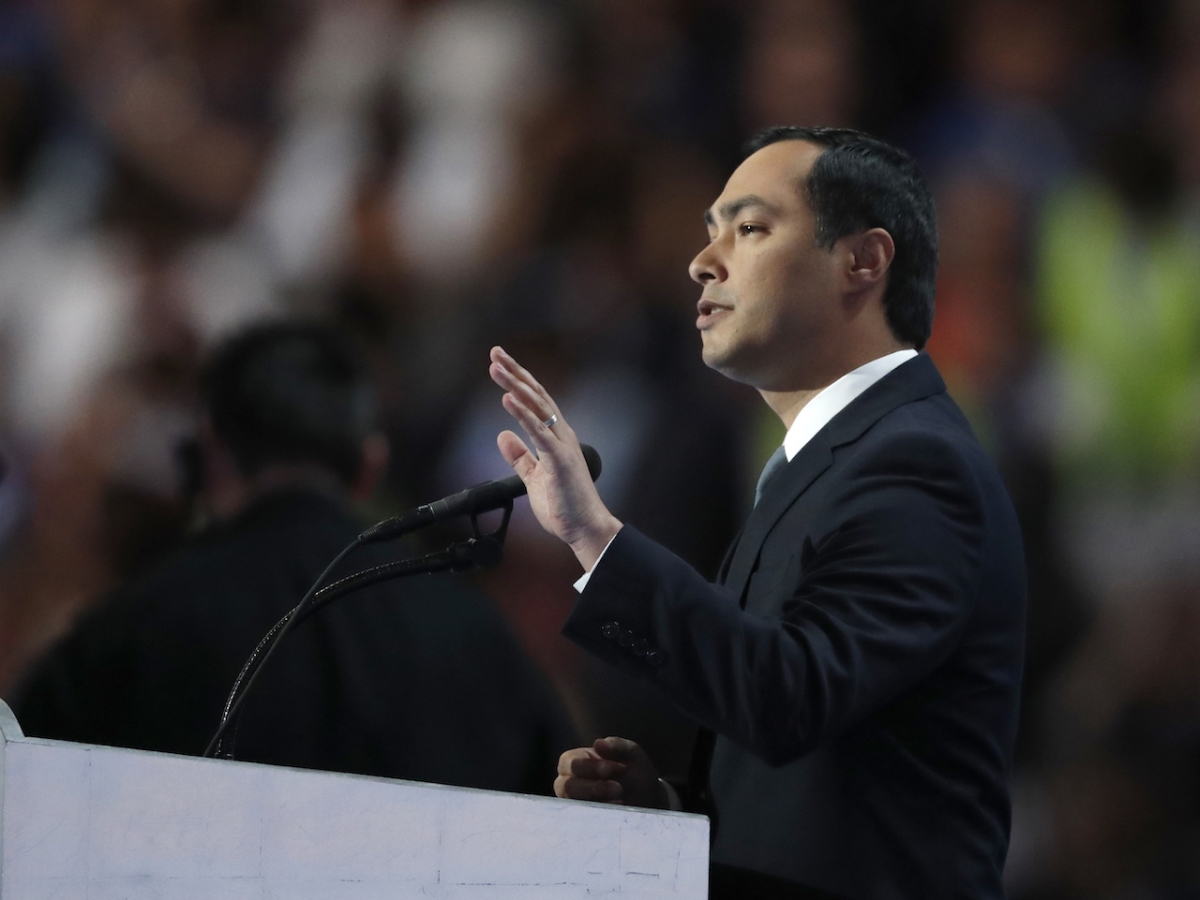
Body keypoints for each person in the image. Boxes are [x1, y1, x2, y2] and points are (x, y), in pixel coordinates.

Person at [487, 127, 1026, 898]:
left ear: (863, 262)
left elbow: (792, 696)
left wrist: (593, 534)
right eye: (711, 232)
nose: (702, 262)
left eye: (749, 228)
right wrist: (671, 810)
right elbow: (811, 765)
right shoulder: (814, 467)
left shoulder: (916, 464)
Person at [10, 321, 576, 794]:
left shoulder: (128, 631)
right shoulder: (479, 641)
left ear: (211, 458)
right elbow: (566, 817)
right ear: (369, 467)